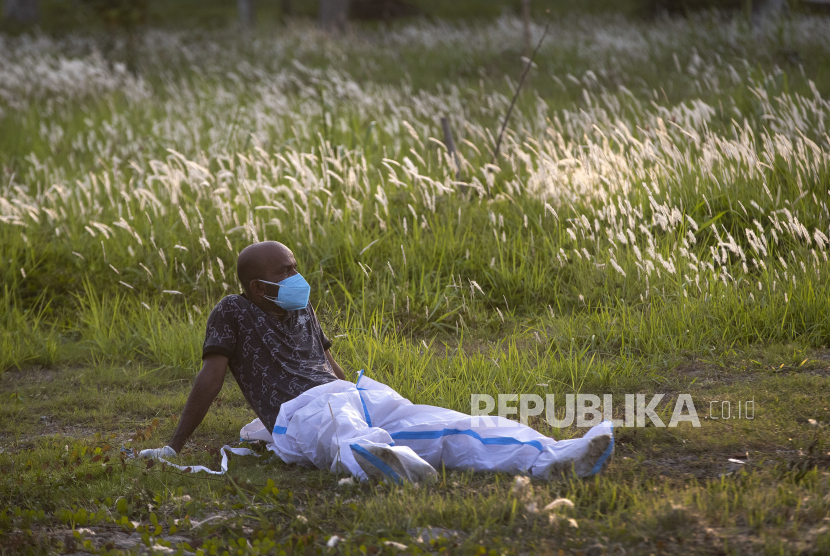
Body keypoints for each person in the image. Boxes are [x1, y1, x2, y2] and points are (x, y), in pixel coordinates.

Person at [139, 241, 614, 483]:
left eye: (296, 266)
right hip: (298, 411)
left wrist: (364, 394)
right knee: (340, 428)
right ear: (255, 286)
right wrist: (174, 446)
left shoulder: (300, 305)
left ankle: (554, 457)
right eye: (284, 272)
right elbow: (211, 377)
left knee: (452, 425)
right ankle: (390, 463)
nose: (296, 277)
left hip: (353, 394)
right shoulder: (234, 311)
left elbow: (327, 363)